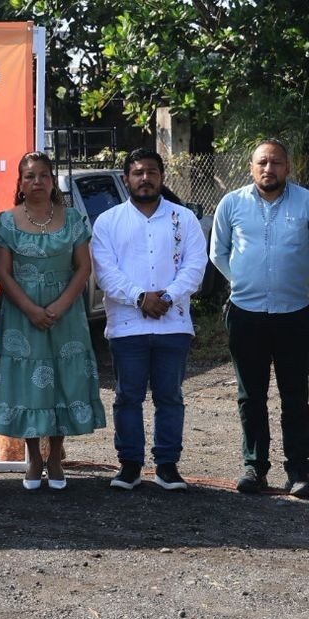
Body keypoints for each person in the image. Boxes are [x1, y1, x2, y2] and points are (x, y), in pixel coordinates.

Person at [0, 151, 105, 489]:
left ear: (52, 181)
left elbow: (84, 268)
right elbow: (2, 272)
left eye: (43, 175)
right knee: (27, 383)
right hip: (21, 313)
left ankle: (55, 456)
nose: (37, 182)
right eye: (29, 176)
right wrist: (31, 309)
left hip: (66, 313)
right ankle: (33, 457)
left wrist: (60, 305)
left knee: (64, 379)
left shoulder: (72, 219)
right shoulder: (5, 222)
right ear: (20, 183)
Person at [209, 138, 309, 498]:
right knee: (251, 396)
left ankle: (299, 472)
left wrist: (297, 278)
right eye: (262, 162)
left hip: (294, 314)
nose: (269, 168)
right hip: (245, 314)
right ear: (251, 167)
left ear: (287, 167)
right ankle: (254, 467)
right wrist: (244, 281)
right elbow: (218, 252)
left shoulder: (308, 203)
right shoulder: (232, 204)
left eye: (276, 162)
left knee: (295, 396)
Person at [91, 148, 207, 492]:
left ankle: (167, 466)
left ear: (161, 177)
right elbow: (105, 272)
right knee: (128, 396)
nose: (145, 178)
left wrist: (167, 297)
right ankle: (129, 465)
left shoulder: (184, 218)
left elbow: (195, 266)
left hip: (173, 324)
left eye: (152, 172)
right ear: (126, 178)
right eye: (138, 172)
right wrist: (140, 297)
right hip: (127, 326)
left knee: (169, 396)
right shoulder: (108, 221)